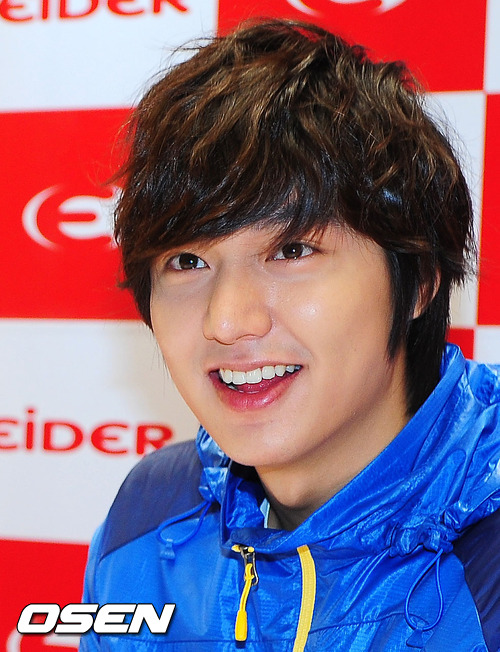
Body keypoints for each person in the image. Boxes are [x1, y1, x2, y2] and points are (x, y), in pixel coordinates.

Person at [80, 19, 500, 651]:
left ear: (418, 281)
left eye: (292, 250)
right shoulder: (151, 510)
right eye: (188, 262)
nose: (227, 321)